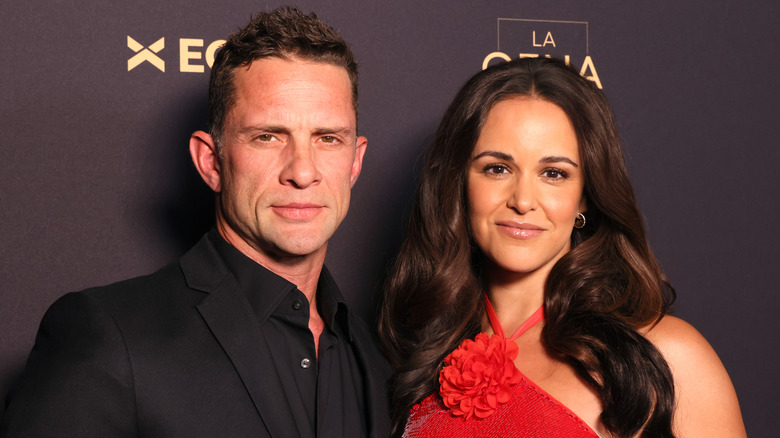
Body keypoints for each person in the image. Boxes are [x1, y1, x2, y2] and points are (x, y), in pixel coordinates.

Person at [2, 7, 389, 438]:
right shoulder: (108, 337)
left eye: (328, 139)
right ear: (211, 161)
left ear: (355, 163)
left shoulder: (379, 359)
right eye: (268, 136)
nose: (302, 171)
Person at [379, 57, 745, 437]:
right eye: (497, 168)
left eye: (554, 174)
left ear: (585, 197)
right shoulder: (419, 354)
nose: (522, 200)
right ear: (459, 182)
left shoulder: (667, 357)